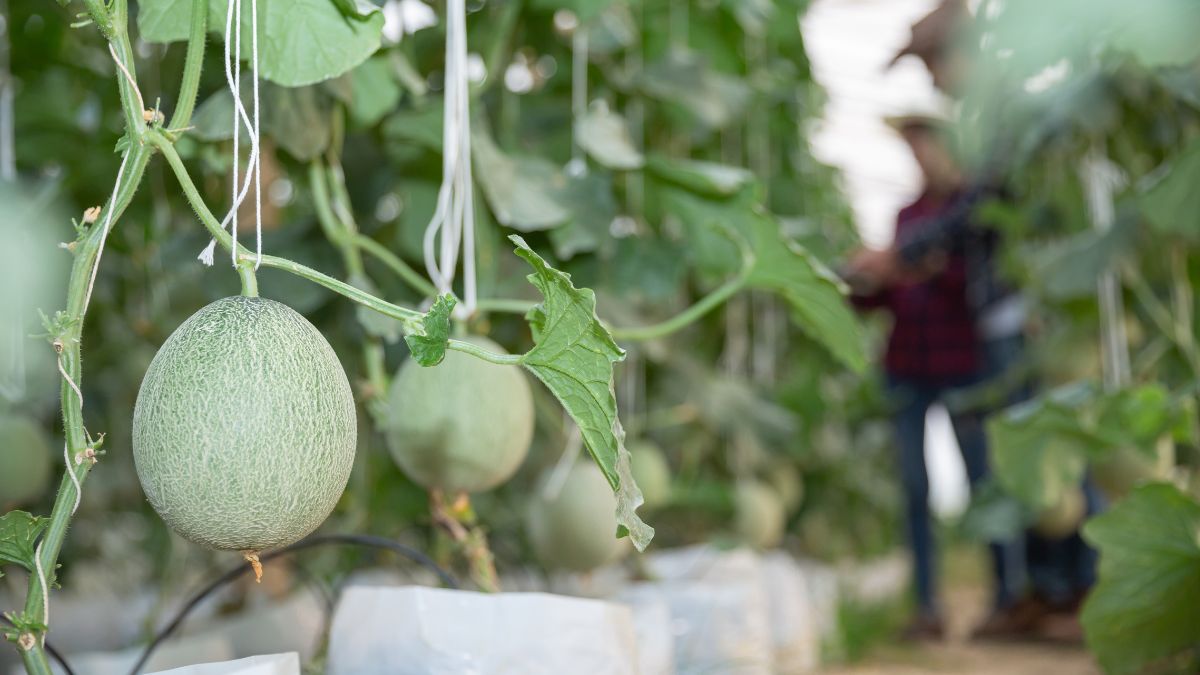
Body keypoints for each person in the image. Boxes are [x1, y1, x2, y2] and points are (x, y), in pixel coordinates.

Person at [847, 114, 1021, 640]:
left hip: (962, 365)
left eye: (925, 145)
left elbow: (966, 280)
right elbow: (883, 290)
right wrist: (865, 280)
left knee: (981, 482)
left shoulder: (969, 215)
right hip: (907, 368)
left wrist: (907, 266)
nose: (920, 157)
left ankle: (1007, 600)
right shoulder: (907, 216)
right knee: (914, 489)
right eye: (912, 148)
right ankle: (927, 608)